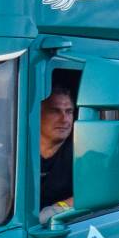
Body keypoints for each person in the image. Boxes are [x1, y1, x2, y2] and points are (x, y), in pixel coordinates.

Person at [38, 85, 76, 221]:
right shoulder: (20, 147)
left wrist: (59, 208)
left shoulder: (82, 150)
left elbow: (97, 192)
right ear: (38, 114)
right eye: (55, 111)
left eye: (69, 111)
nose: (64, 119)